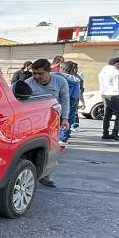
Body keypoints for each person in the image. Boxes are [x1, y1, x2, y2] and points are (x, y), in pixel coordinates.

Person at [25, 58, 70, 187]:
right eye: (34, 73)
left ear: (49, 71)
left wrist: (65, 118)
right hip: (33, 121)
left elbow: (65, 100)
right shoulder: (28, 83)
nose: (37, 76)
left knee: (50, 148)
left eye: (40, 73)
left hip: (52, 120)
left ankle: (46, 175)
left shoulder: (60, 82)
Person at [53, 61, 81, 142]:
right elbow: (76, 95)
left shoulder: (56, 77)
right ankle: (64, 137)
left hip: (56, 101)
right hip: (70, 102)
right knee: (68, 119)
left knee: (55, 120)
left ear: (61, 68)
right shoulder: (76, 80)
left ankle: (54, 137)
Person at [98, 57, 119, 140]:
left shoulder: (102, 72)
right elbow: (117, 85)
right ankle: (115, 133)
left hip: (104, 94)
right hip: (115, 95)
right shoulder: (116, 72)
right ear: (117, 63)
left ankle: (105, 133)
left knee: (107, 115)